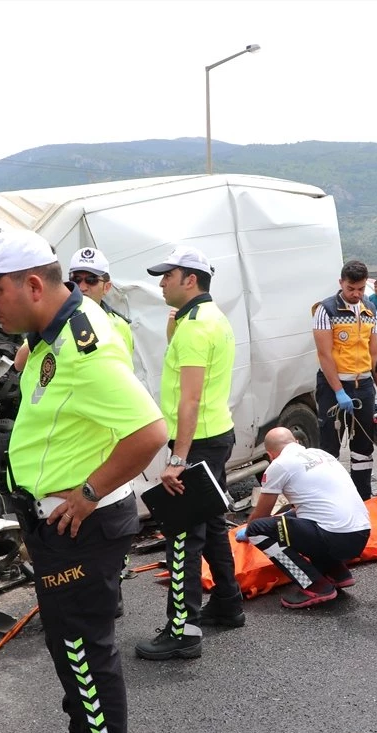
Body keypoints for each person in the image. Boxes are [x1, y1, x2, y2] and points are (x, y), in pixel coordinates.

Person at [0, 228, 167, 733]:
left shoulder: (81, 348)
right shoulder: (53, 334)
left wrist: (90, 492)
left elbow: (150, 432)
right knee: (65, 642)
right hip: (53, 524)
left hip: (82, 525)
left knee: (84, 647)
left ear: (31, 284)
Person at [135, 246, 244, 661]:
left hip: (197, 441)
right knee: (213, 525)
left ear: (190, 280)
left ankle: (183, 630)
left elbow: (190, 399)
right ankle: (229, 604)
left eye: (168, 275)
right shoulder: (205, 318)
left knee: (183, 536)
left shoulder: (196, 327)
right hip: (215, 435)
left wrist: (177, 459)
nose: (161, 282)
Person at [237, 427, 371, 609]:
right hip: (361, 533)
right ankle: (337, 572)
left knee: (257, 529)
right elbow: (308, 509)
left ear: (270, 455)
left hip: (334, 537)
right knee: (302, 523)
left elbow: (261, 515)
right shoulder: (321, 454)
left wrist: (248, 530)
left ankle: (314, 584)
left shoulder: (279, 465)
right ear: (297, 442)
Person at [313, 260, 377, 500]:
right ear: (341, 283)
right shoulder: (326, 310)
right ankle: (330, 499)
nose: (356, 294)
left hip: (363, 386)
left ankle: (362, 497)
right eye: (351, 288)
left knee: (363, 448)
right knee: (330, 447)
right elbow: (325, 355)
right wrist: (338, 391)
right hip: (334, 388)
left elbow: (375, 352)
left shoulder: (369, 310)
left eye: (360, 289)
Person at [13, 247, 133, 371]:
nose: (82, 287)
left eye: (91, 280)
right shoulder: (54, 314)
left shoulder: (119, 325)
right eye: (76, 279)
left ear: (106, 287)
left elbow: (125, 370)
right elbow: (19, 362)